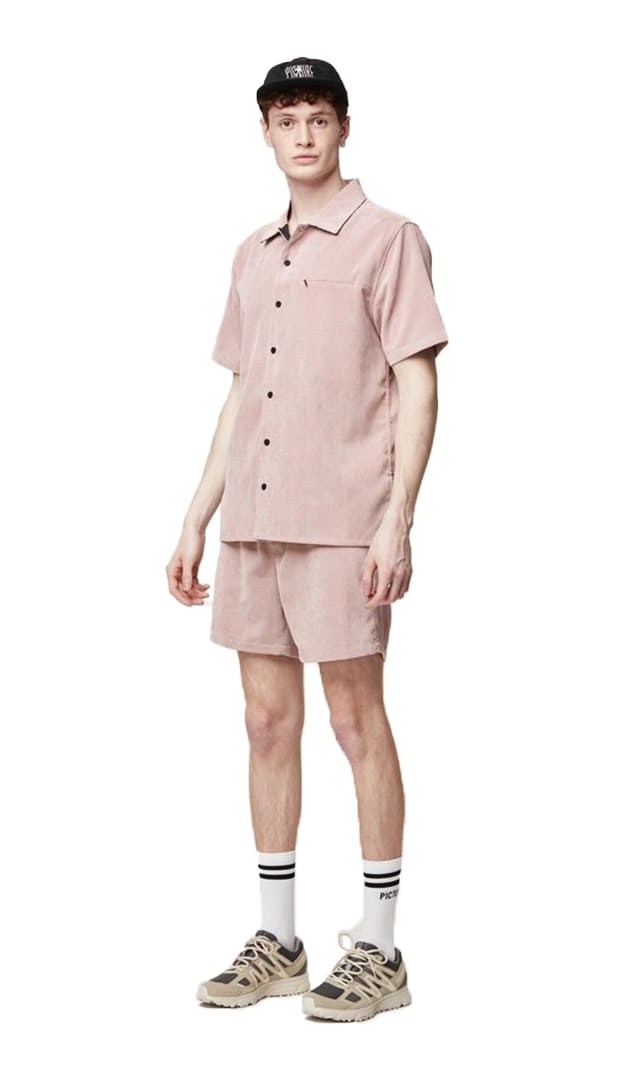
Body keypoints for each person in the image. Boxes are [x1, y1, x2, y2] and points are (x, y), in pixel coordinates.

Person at [166, 56, 449, 1023]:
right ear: (265, 132)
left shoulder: (388, 238)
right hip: (253, 521)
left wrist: (396, 518)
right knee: (264, 724)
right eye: (284, 119)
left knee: (355, 722)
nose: (301, 135)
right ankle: (279, 940)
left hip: (341, 523)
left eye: (316, 118)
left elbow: (417, 382)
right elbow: (241, 392)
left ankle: (379, 950)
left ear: (342, 128)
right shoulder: (252, 253)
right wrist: (196, 515)